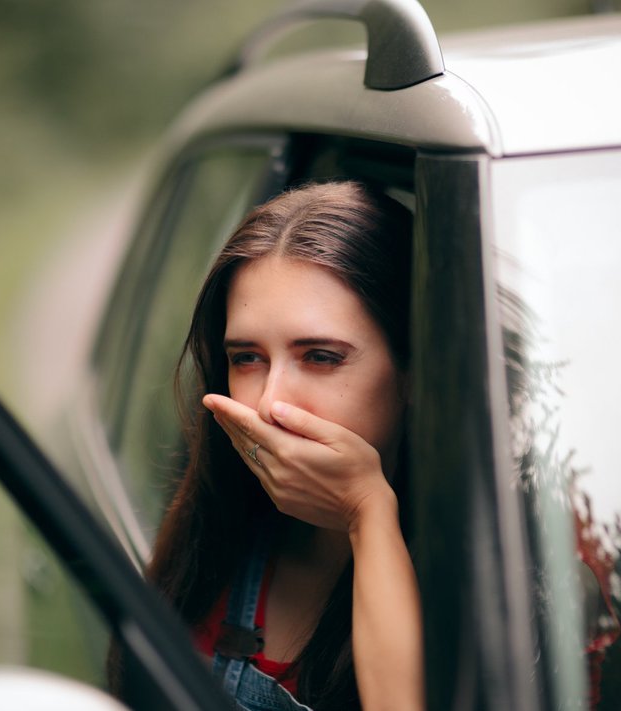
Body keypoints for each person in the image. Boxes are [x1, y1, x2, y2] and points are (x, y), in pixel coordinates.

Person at [124, 180, 423, 710]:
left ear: (411, 372)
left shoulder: (501, 581)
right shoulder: (210, 549)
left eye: (321, 357)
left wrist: (368, 514)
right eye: (247, 358)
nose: (269, 402)